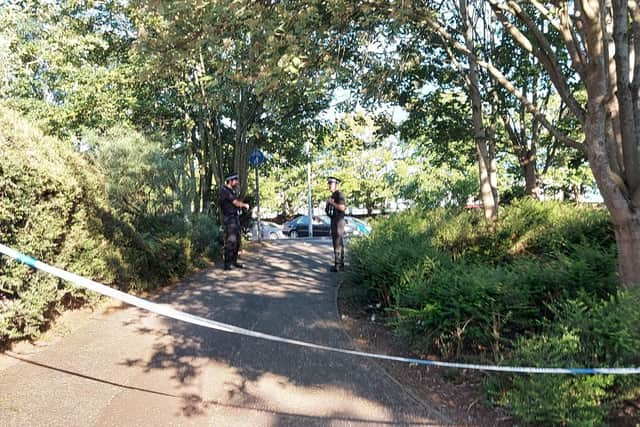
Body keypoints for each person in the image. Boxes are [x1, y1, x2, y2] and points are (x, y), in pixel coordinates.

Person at [219, 173, 250, 270]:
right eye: (235, 180)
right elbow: (235, 203)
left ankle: (234, 261)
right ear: (230, 181)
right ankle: (227, 264)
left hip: (235, 218)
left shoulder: (231, 191)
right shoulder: (224, 191)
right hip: (229, 219)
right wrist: (245, 205)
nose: (236, 182)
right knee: (231, 241)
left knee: (237, 241)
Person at [325, 176, 346, 272]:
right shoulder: (332, 196)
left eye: (331, 184)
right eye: (328, 183)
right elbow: (329, 211)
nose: (329, 185)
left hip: (339, 222)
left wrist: (332, 203)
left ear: (336, 184)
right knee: (336, 242)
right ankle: (338, 264)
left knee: (338, 242)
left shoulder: (340, 194)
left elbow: (342, 208)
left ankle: (339, 265)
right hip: (334, 221)